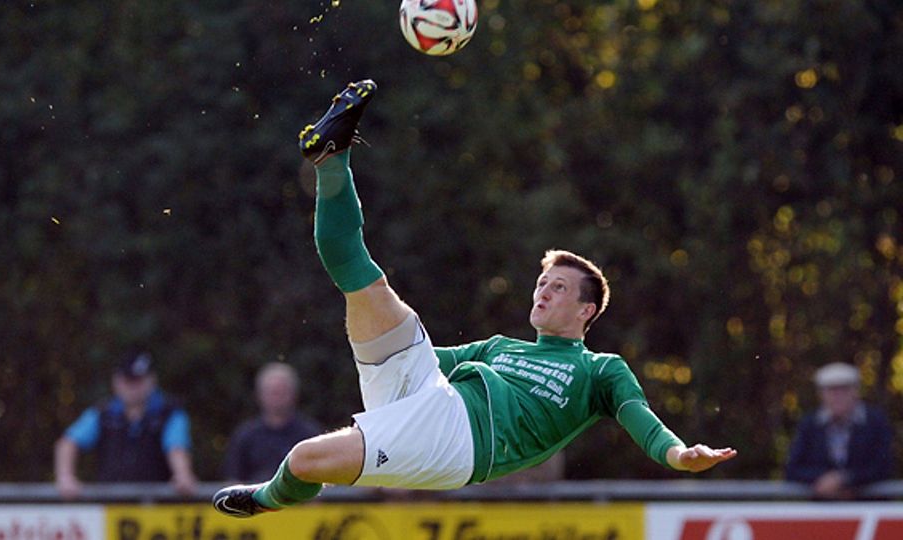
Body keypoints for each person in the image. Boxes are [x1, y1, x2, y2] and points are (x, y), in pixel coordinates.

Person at [212, 80, 737, 517]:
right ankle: (332, 157)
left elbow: (639, 417)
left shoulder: (601, 371)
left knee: (304, 459)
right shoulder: (499, 349)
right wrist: (372, 335)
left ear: (586, 310)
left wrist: (676, 453)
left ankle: (265, 499)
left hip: (458, 443)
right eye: (541, 283)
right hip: (429, 390)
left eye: (558, 287)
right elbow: (431, 360)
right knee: (358, 275)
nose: (543, 291)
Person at [54, 351, 198, 498]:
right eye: (128, 380)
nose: (133, 387)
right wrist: (65, 477)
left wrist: (182, 475)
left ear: (152, 380)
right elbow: (68, 443)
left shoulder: (169, 413)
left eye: (139, 380)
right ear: (116, 381)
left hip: (157, 508)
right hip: (110, 507)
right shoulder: (103, 413)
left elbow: (176, 447)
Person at [785, 362, 894, 498]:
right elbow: (793, 469)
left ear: (856, 391)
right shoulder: (810, 424)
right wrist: (823, 481)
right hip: (823, 511)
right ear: (820, 394)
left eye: (844, 389)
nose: (838, 396)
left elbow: (884, 466)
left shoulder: (874, 422)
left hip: (869, 509)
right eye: (831, 390)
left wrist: (846, 480)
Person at [221, 363, 322, 482]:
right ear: (259, 395)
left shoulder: (310, 435)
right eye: (272, 392)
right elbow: (233, 480)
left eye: (282, 392)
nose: (277, 398)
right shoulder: (245, 436)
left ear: (294, 394)